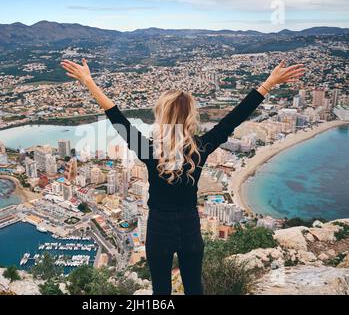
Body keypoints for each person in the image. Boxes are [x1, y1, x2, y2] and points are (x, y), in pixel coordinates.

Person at [61, 59, 305, 295]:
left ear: (161, 116)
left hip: (158, 227)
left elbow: (116, 116)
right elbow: (236, 116)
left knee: (161, 292)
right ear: (190, 117)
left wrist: (89, 82)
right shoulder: (201, 147)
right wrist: (269, 83)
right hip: (189, 226)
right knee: (194, 288)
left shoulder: (148, 150)